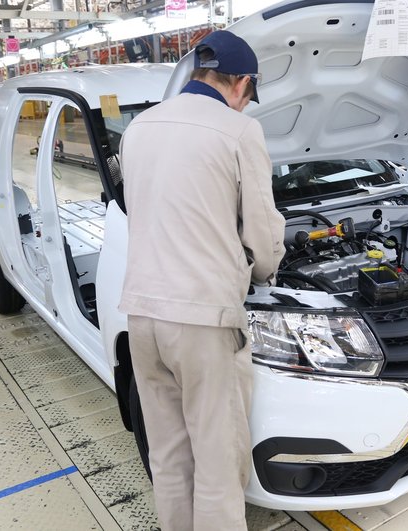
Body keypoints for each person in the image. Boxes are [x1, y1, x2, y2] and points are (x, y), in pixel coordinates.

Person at [118, 31, 285, 530]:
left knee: (169, 459)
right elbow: (261, 232)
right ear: (242, 82)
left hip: (143, 317)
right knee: (218, 465)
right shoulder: (239, 132)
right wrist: (263, 267)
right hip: (203, 324)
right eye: (249, 95)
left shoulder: (139, 128)